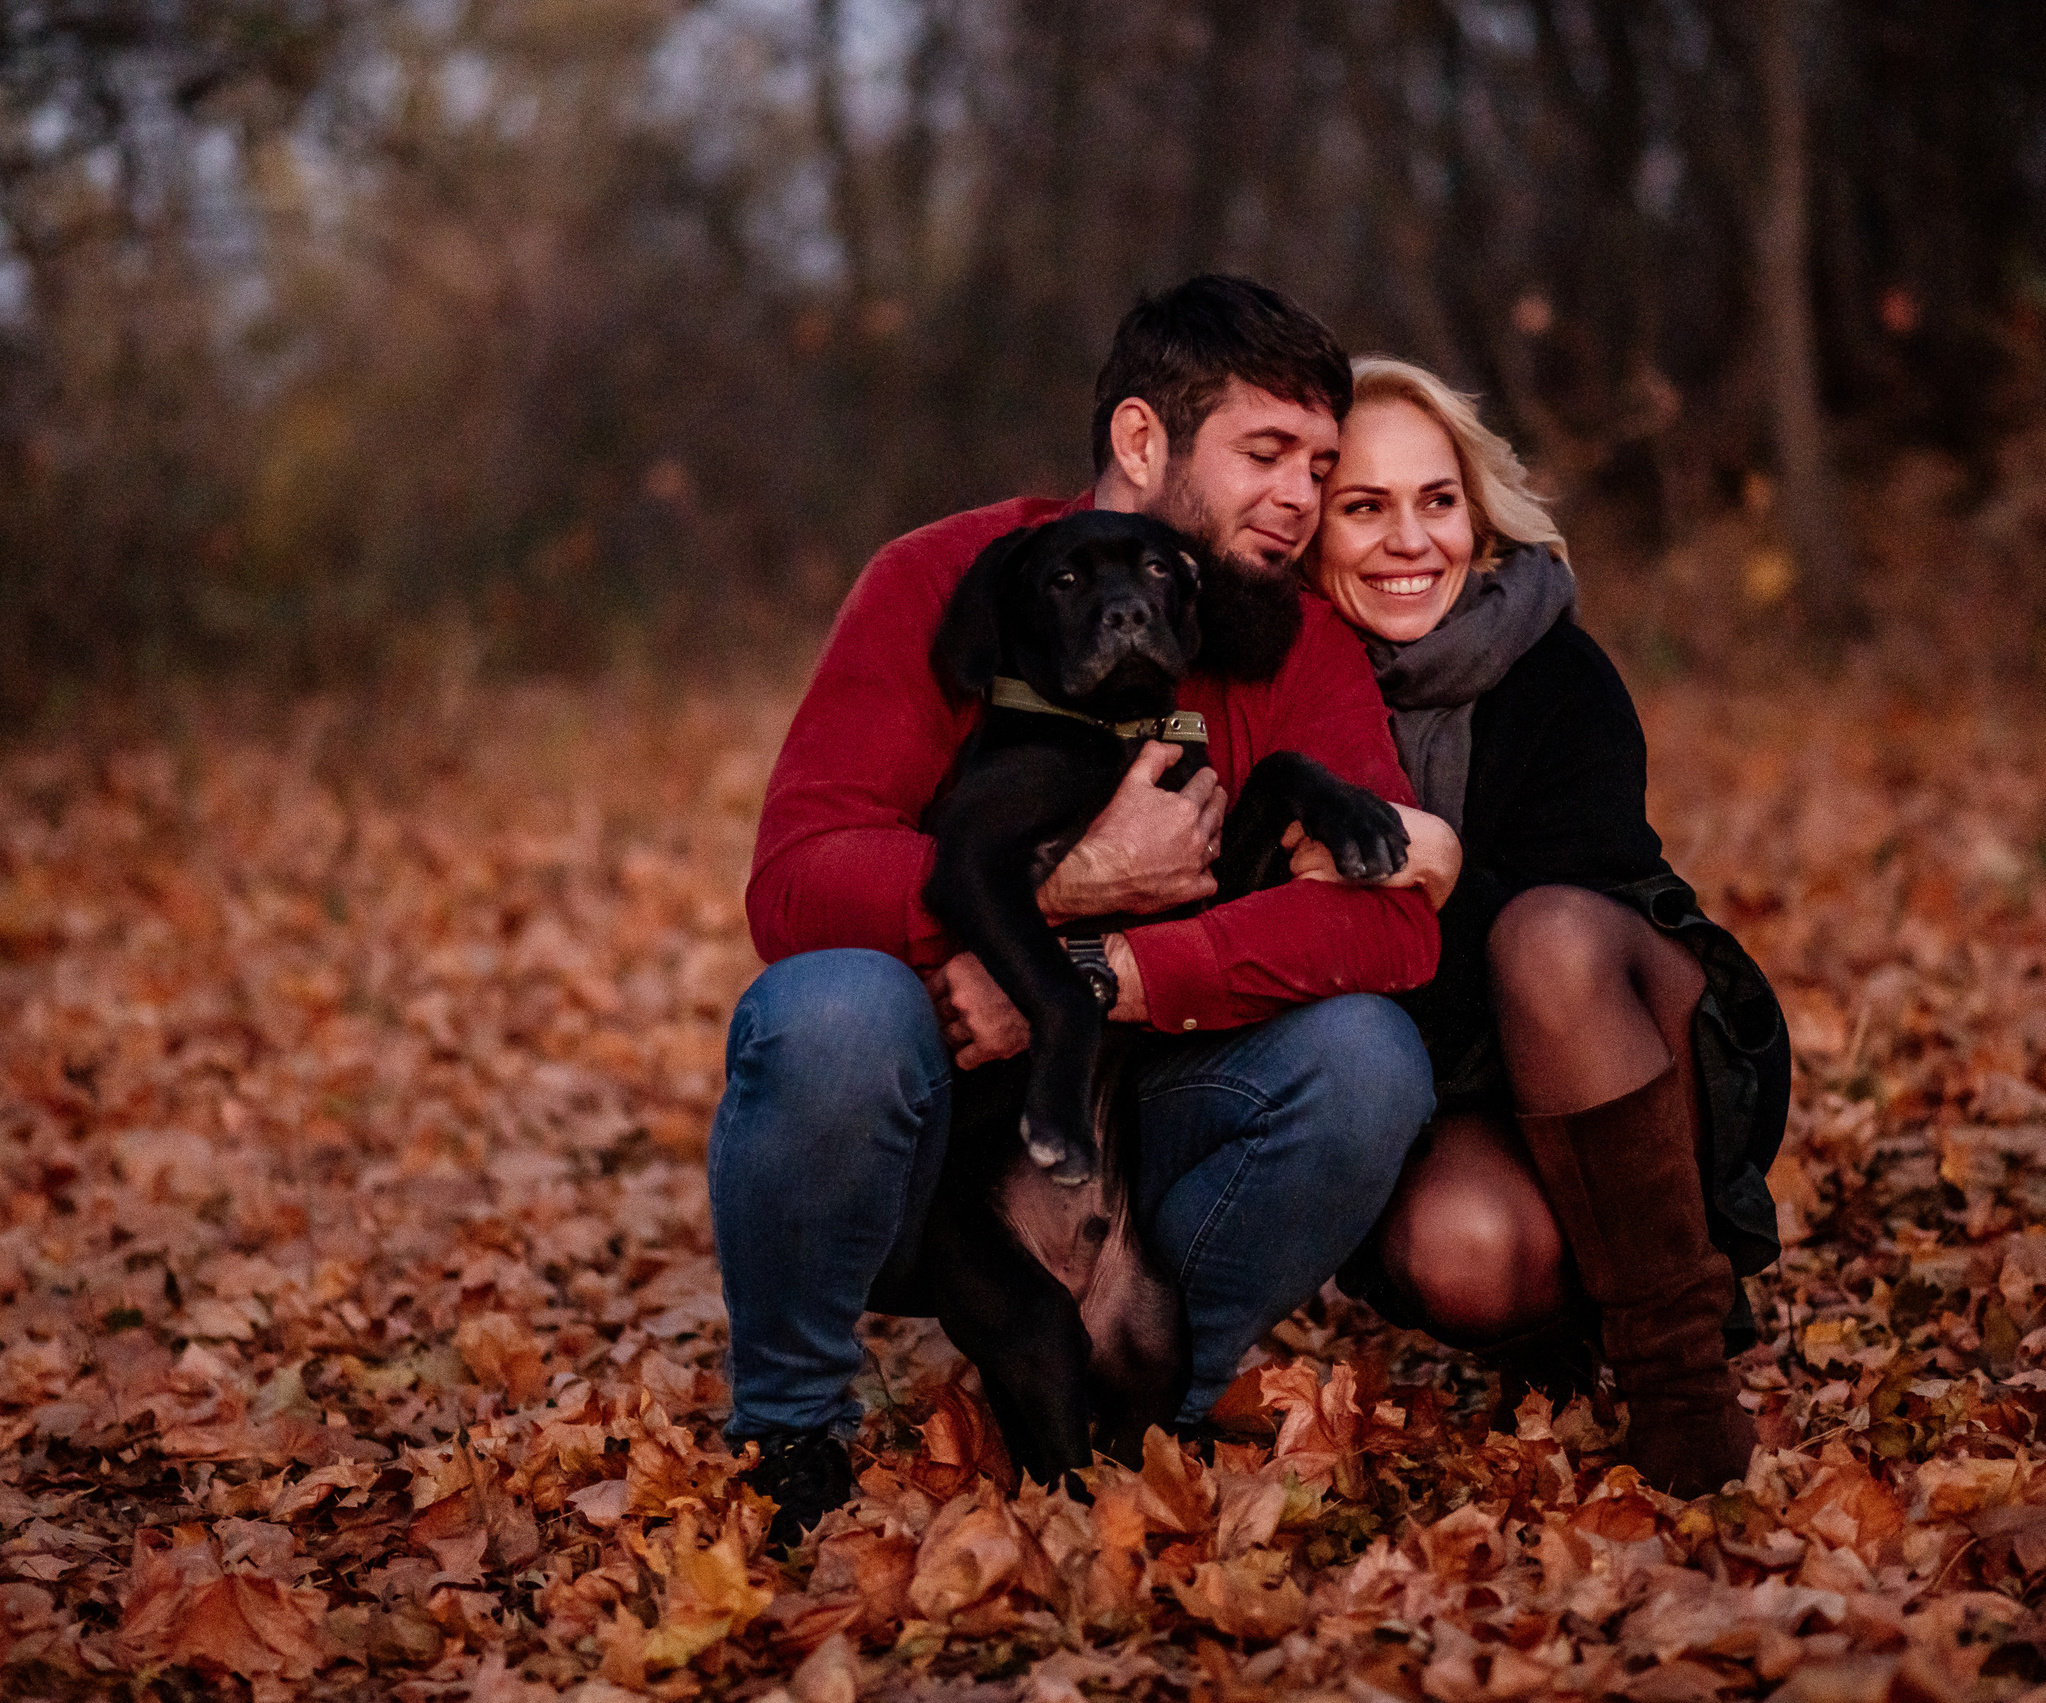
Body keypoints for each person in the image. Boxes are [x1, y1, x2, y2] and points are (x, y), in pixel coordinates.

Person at [713, 278, 1462, 1542]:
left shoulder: (1300, 647)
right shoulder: (946, 578)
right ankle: (790, 1427)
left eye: (1319, 463)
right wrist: (1066, 888)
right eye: (1265, 453)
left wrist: (1101, 968)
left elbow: (1392, 928)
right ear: (1139, 440)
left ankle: (1154, 1385)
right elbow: (794, 882)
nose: (1300, 497)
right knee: (826, 1008)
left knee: (1367, 1057)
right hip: (935, 1143)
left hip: (1144, 1114)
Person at [1305, 357, 1791, 1498]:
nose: (1407, 540)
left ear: (1478, 512)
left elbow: (1571, 912)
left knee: (1544, 940)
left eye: (1436, 500)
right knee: (1463, 1253)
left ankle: (1681, 1388)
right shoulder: (1288, 705)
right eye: (1362, 507)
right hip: (1458, 1077)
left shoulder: (1554, 665)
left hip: (1631, 1027)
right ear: (1311, 532)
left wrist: (1429, 872)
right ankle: (1558, 1324)